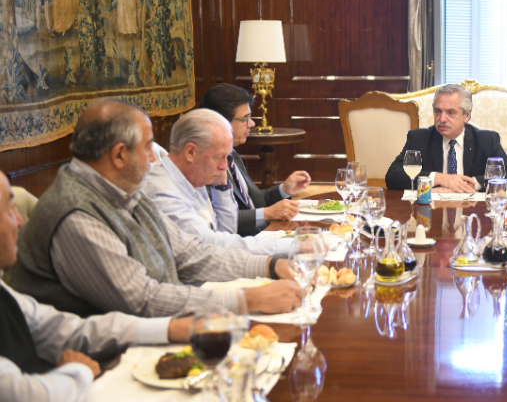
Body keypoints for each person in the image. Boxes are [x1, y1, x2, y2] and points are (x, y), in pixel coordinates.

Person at [12, 100, 303, 318]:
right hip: (106, 364)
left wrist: (268, 265)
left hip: (160, 328)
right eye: (148, 146)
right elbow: (141, 299)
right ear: (119, 155)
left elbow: (189, 253)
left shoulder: (126, 193)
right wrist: (247, 300)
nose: (154, 156)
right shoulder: (75, 214)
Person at [0, 169, 192, 402]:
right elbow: (23, 394)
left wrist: (170, 329)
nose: (19, 221)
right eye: (10, 210)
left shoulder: (5, 292)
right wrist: (77, 371)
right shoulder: (74, 210)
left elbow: (70, 330)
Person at [145, 109, 291, 257]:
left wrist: (221, 187)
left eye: (226, 157)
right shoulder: (163, 192)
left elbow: (226, 233)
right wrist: (292, 246)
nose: (224, 167)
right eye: (219, 157)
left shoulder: (193, 178)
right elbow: (213, 246)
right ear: (191, 152)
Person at [201, 84, 312, 236]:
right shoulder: (204, 164)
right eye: (245, 118)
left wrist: (284, 189)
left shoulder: (232, 154)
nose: (252, 124)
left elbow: (253, 202)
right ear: (222, 121)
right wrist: (267, 214)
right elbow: (219, 221)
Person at [385, 84, 507, 192]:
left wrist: (470, 184)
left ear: (466, 115)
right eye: (438, 111)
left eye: (451, 112)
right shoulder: (419, 139)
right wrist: (439, 178)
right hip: (432, 215)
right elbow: (393, 176)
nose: (442, 119)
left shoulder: (487, 140)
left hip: (472, 216)